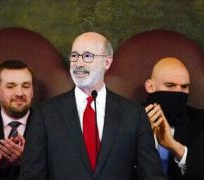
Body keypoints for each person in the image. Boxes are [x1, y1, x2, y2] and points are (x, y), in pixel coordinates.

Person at [19, 32, 166, 180]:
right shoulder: (45, 114)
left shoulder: (134, 115)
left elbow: (152, 175)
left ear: (107, 62)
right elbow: (32, 175)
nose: (78, 63)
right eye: (74, 56)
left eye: (87, 56)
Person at [144, 57, 204, 179]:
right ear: (150, 86)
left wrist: (176, 148)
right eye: (170, 85)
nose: (178, 92)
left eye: (184, 87)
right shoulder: (128, 119)